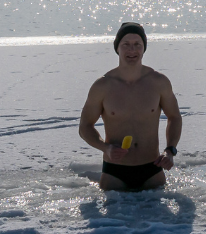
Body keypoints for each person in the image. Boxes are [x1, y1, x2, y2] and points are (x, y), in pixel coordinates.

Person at [78, 21, 182, 191]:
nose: (132, 50)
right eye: (126, 44)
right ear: (117, 48)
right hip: (115, 172)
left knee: (158, 216)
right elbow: (84, 127)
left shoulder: (159, 82)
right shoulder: (103, 86)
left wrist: (170, 150)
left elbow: (175, 117)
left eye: (137, 45)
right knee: (110, 218)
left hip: (152, 169)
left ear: (144, 48)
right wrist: (106, 148)